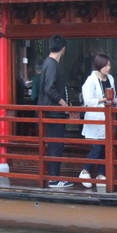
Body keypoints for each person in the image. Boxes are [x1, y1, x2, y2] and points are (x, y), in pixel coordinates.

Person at [38, 35, 72, 188]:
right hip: (54, 111)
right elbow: (49, 88)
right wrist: (64, 103)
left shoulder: (49, 63)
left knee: (55, 144)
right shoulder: (52, 64)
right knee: (56, 144)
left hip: (53, 110)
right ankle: (54, 178)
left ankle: (55, 177)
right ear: (63, 49)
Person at [79, 54, 115, 188]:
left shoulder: (110, 78)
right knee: (96, 147)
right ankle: (85, 171)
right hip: (95, 118)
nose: (108, 68)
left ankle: (101, 174)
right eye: (105, 66)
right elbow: (88, 100)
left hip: (107, 117)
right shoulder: (91, 80)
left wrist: (113, 100)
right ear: (99, 66)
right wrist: (104, 100)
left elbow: (113, 94)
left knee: (105, 147)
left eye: (109, 65)